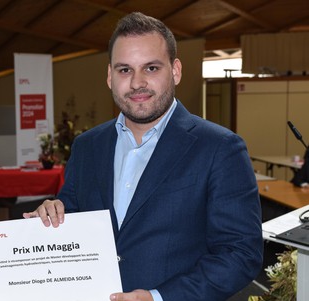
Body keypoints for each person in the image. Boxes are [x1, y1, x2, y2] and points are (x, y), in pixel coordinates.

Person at [24, 12, 263, 301]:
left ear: (175, 71)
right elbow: (73, 217)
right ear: (110, 76)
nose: (137, 83)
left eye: (151, 68)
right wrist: (51, 215)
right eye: (125, 70)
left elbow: (240, 254)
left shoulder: (220, 148)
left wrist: (158, 297)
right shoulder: (87, 147)